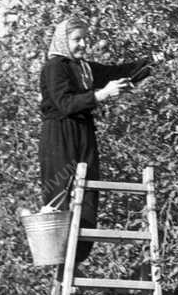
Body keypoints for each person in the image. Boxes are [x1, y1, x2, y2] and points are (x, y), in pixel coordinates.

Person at [38, 15, 153, 265]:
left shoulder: (85, 69)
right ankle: (62, 256)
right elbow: (64, 103)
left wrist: (155, 61)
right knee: (63, 193)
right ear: (63, 41)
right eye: (76, 39)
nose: (82, 44)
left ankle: (77, 257)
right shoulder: (55, 67)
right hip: (60, 135)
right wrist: (101, 95)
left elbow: (119, 72)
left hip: (84, 133)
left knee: (88, 191)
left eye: (85, 39)